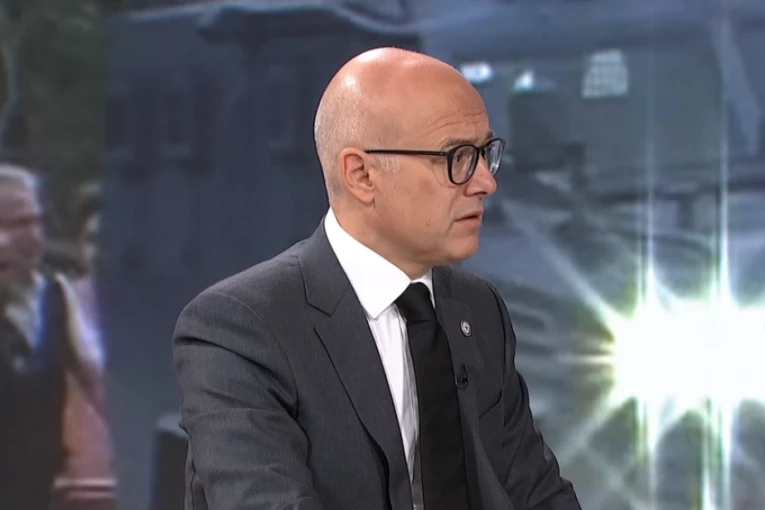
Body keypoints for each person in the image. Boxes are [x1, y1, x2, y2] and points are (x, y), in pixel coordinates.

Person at [173, 47, 581, 510]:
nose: (486, 182)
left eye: (486, 153)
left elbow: (536, 491)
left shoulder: (478, 308)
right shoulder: (240, 328)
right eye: (458, 158)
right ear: (362, 174)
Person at [0, 164, 106, 510]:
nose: (8, 240)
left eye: (27, 222)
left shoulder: (56, 294)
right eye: (2, 225)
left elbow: (94, 375)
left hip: (36, 485)